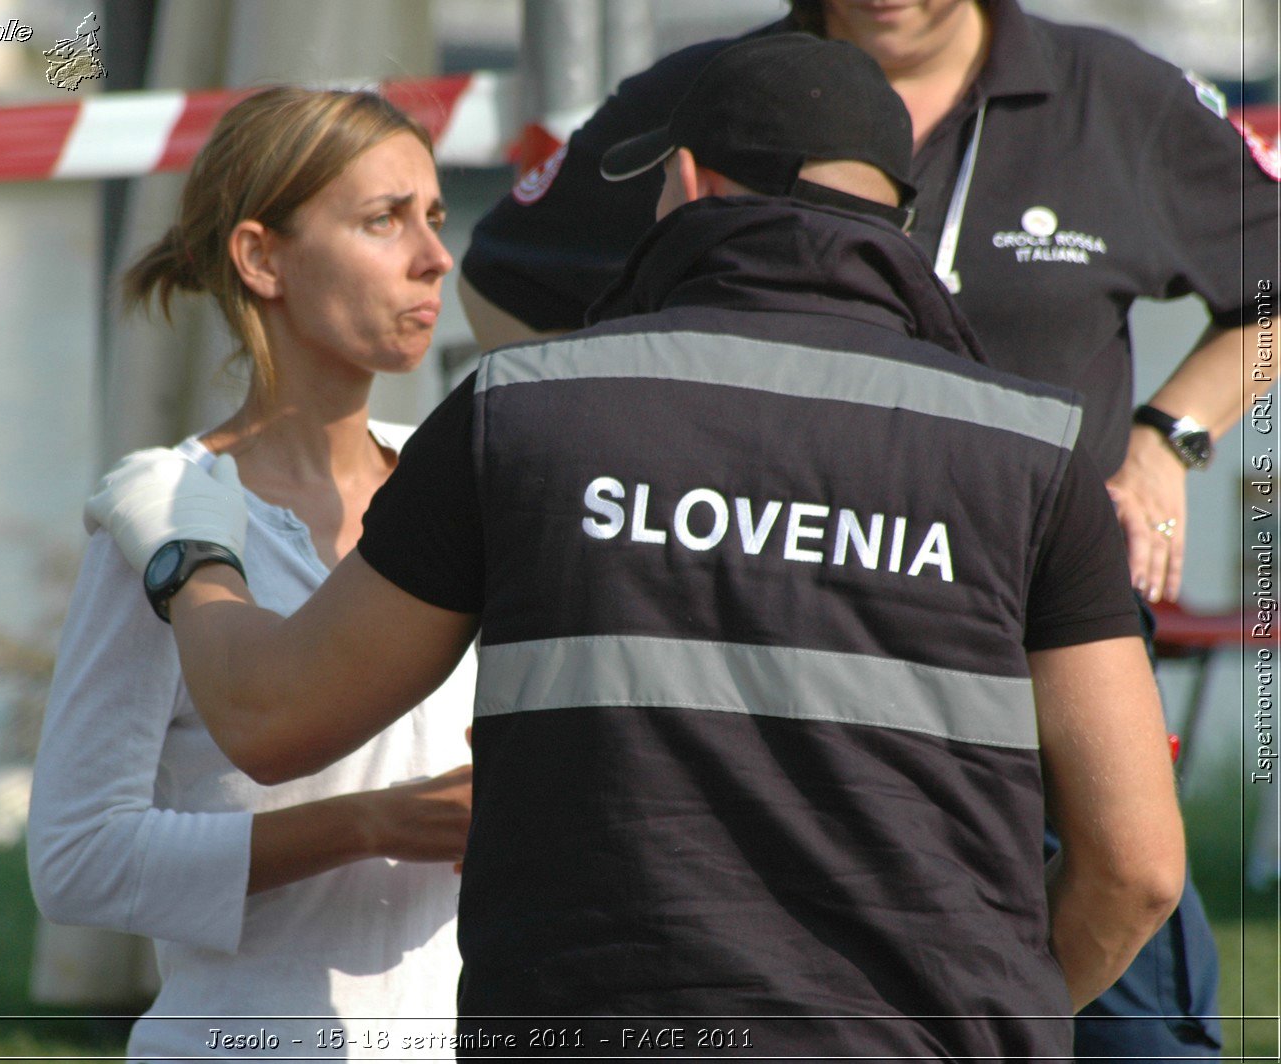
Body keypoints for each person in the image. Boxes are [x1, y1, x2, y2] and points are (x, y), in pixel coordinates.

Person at [84, 37, 1186, 1059]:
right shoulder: (1031, 451)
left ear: (693, 183)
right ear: (894, 214)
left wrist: (189, 551)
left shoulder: (526, 410)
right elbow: (1136, 869)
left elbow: (273, 717)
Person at [458, 2, 1277, 1056]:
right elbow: (501, 284)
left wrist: (1169, 438)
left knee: (1134, 1023)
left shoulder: (1117, 98)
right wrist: (634, 456)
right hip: (742, 664)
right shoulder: (705, 94)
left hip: (1018, 655)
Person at [26, 87, 472, 1062]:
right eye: (382, 219)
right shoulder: (166, 515)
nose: (434, 256)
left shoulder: (468, 487)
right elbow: (76, 860)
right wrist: (368, 823)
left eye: (433, 218)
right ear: (261, 256)